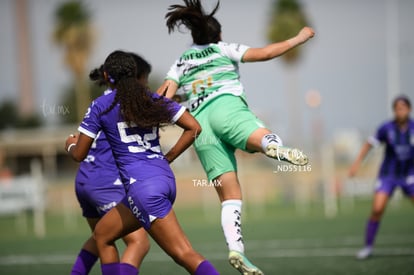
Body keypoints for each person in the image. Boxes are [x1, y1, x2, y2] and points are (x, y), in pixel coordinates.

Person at [157, 1, 314, 274]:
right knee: (259, 136)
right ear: (217, 35)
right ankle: (274, 146)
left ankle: (237, 250)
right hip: (226, 108)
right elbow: (264, 53)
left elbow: (163, 96)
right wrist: (299, 37)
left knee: (230, 196)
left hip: (200, 128)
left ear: (194, 36)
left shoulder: (181, 62)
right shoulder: (223, 48)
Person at [65, 50, 219, 275]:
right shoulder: (152, 99)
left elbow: (79, 154)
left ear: (107, 76)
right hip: (163, 180)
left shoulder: (101, 105)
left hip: (142, 189)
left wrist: (69, 144)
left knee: (183, 253)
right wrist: (169, 158)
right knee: (102, 235)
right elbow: (194, 127)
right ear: (135, 73)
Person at [70, 53, 152, 275]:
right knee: (139, 242)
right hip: (106, 183)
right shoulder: (126, 103)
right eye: (144, 79)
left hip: (84, 182)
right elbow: (158, 106)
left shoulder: (100, 102)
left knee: (100, 238)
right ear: (136, 78)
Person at [349, 95, 414, 260]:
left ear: (409, 109)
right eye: (398, 108)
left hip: (409, 175)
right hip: (388, 175)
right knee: (377, 209)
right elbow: (368, 144)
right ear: (394, 111)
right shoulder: (386, 128)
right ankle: (368, 247)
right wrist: (357, 164)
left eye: (404, 108)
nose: (401, 111)